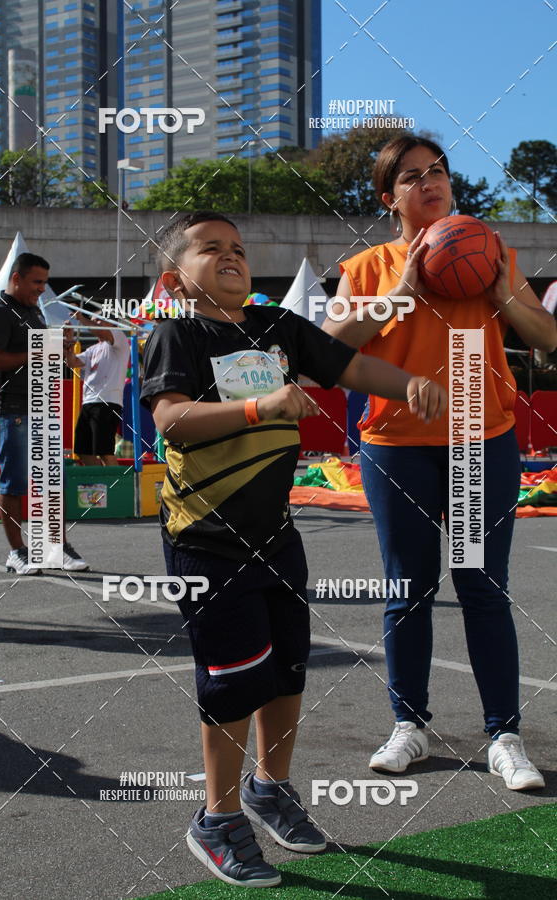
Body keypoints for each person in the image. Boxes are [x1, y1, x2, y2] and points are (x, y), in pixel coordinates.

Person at [140, 210, 446, 888]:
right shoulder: (173, 333)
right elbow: (171, 420)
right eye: (210, 249)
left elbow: (353, 362)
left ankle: (269, 788)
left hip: (277, 537)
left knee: (286, 673)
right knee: (234, 679)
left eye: (239, 249)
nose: (230, 256)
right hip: (206, 539)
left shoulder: (278, 328)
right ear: (174, 278)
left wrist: (411, 385)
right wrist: (261, 408)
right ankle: (216, 819)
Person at [323, 135, 557, 791]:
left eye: (439, 172)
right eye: (411, 177)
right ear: (386, 196)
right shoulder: (369, 265)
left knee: (482, 585)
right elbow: (328, 349)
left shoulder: (491, 252)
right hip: (397, 446)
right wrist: (401, 290)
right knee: (408, 589)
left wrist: (500, 292)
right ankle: (410, 726)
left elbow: (546, 336)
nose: (430, 183)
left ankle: (504, 735)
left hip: (481, 437)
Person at [0, 252, 88, 575]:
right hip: (12, 409)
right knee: (13, 483)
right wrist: (41, 350)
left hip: (43, 407)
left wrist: (64, 350)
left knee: (53, 483)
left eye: (44, 282)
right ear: (17, 278)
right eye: (37, 282)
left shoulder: (33, 312)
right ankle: (17, 552)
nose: (42, 289)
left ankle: (56, 548)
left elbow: (49, 361)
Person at [63, 310, 129, 466]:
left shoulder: (118, 337)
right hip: (89, 402)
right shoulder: (93, 348)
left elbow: (100, 330)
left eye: (99, 320)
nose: (95, 323)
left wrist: (81, 318)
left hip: (107, 401)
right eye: (94, 320)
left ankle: (115, 486)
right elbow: (72, 363)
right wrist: (69, 339)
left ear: (112, 324)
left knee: (105, 451)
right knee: (82, 451)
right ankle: (100, 483)